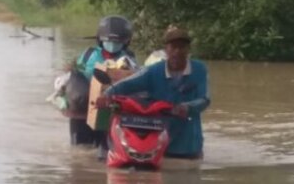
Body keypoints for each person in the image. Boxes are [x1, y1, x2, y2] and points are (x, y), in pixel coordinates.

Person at [97, 26, 210, 160]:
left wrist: (187, 107)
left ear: (188, 50)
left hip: (189, 145)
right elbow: (127, 83)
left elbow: (205, 99)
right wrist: (107, 94)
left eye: (182, 47)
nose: (177, 52)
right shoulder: (153, 71)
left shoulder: (199, 70)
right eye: (173, 47)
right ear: (166, 49)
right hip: (160, 143)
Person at [70, 15, 137, 157]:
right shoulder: (89, 55)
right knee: (80, 153)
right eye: (109, 41)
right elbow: (76, 77)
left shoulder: (129, 60)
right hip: (84, 113)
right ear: (100, 40)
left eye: (116, 41)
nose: (112, 44)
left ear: (126, 42)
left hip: (112, 113)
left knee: (108, 153)